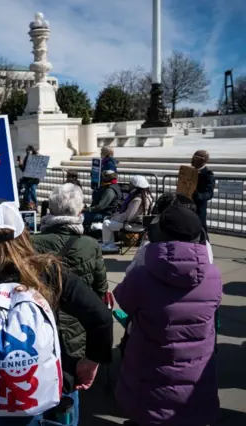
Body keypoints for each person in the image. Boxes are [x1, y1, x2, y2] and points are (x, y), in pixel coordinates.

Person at [0, 202, 113, 425]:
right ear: (24, 232)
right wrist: (91, 361)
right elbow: (100, 316)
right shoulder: (48, 271)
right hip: (42, 386)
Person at [113, 204, 221, 426]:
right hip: (196, 372)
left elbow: (123, 300)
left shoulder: (141, 275)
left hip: (151, 370)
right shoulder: (213, 275)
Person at [32, 184, 109, 400]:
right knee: (70, 384)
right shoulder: (90, 244)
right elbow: (100, 287)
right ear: (79, 212)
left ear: (50, 211)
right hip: (78, 324)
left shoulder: (30, 243)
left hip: (42, 322)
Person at [100, 175, 153, 253]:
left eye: (131, 184)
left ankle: (109, 245)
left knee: (106, 222)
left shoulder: (138, 199)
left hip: (133, 225)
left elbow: (128, 217)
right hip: (139, 223)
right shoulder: (147, 196)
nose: (129, 186)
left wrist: (114, 217)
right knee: (108, 219)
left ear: (136, 186)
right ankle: (108, 244)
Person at [191, 150, 215, 233]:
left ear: (203, 160)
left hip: (199, 208)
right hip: (187, 206)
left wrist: (199, 196)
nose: (193, 160)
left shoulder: (208, 175)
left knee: (201, 231)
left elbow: (209, 193)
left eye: (196, 158)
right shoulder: (189, 172)